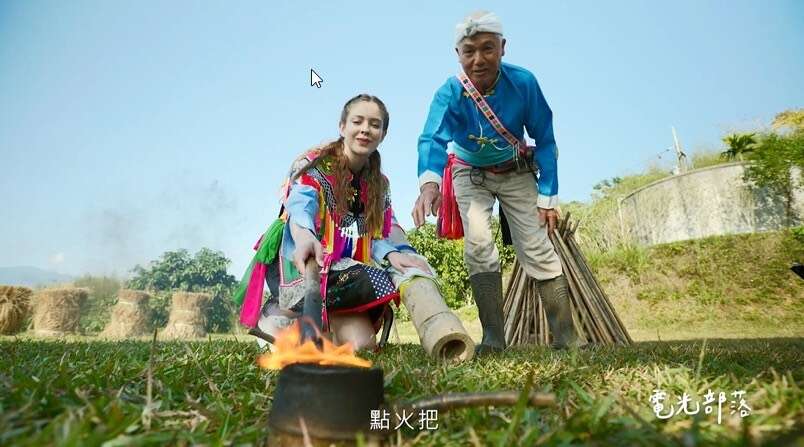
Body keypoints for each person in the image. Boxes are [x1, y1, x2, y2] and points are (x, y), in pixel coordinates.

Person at [412, 11, 581, 352]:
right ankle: (493, 338)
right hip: (469, 174)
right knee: (478, 247)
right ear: (458, 55)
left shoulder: (524, 83)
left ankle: (567, 339)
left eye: (487, 48)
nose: (478, 59)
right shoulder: (450, 92)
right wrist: (429, 185)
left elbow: (545, 140)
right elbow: (432, 139)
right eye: (468, 51)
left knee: (536, 247)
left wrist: (548, 197)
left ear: (503, 48)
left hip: (515, 171)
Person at [235, 94, 430, 351]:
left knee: (362, 345)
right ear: (342, 127)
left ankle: (319, 327)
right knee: (370, 280)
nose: (365, 130)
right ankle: (278, 314)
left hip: (340, 268)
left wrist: (393, 256)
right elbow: (299, 206)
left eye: (374, 124)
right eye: (357, 121)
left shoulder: (379, 184)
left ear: (383, 134)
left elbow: (376, 235)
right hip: (301, 257)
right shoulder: (314, 163)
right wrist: (305, 237)